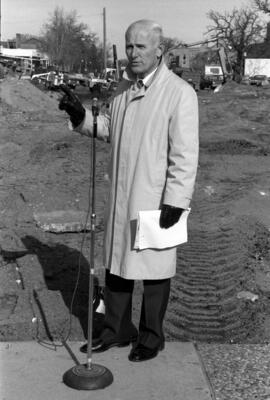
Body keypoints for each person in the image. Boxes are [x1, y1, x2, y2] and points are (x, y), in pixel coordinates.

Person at [59, 19, 199, 362]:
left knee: (154, 270)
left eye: (140, 47)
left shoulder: (179, 94)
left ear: (159, 51)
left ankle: (152, 336)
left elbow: (185, 154)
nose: (132, 54)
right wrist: (82, 118)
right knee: (117, 264)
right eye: (129, 47)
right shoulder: (123, 88)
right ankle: (116, 329)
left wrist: (177, 200)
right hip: (122, 193)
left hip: (155, 197)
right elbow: (111, 129)